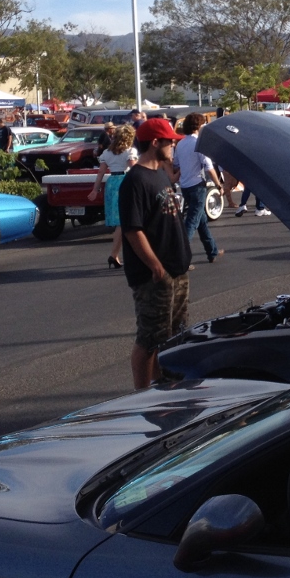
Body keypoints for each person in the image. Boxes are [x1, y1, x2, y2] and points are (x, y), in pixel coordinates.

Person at [120, 117, 190, 389]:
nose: (173, 145)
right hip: (153, 275)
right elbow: (132, 230)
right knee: (150, 338)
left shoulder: (160, 173)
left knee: (173, 335)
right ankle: (142, 396)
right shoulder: (135, 180)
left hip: (177, 269)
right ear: (155, 143)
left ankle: (164, 384)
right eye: (170, 141)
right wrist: (155, 266)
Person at [174, 112, 224, 263]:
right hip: (197, 185)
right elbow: (209, 167)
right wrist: (218, 184)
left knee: (201, 220)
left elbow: (176, 164)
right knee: (192, 222)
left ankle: (212, 251)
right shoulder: (199, 143)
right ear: (199, 126)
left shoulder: (181, 144)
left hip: (185, 185)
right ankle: (180, 256)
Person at [89, 125, 137, 267]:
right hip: (124, 181)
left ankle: (116, 255)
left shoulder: (107, 152)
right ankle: (116, 254)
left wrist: (95, 189)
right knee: (125, 220)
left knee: (120, 221)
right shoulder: (129, 151)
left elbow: (101, 172)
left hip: (112, 183)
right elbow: (134, 168)